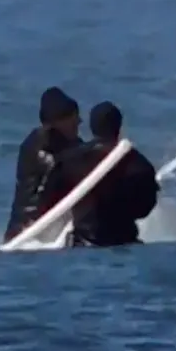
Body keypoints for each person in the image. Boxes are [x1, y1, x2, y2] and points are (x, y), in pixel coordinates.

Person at [47, 100, 160, 248]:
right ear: (119, 127)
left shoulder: (69, 161)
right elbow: (145, 209)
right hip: (125, 242)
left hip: (81, 245)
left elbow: (52, 199)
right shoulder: (139, 164)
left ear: (92, 128)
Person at [2, 86, 84, 243]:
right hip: (26, 230)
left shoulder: (70, 144)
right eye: (73, 119)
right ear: (58, 121)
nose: (78, 122)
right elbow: (59, 166)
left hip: (52, 228)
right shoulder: (38, 146)